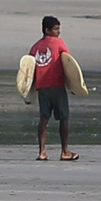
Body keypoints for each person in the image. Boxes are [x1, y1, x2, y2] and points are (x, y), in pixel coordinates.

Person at [29, 15, 78, 161]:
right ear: (47, 30)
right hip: (57, 86)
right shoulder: (58, 43)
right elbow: (68, 64)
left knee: (44, 119)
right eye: (56, 29)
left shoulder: (35, 47)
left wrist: (28, 93)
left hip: (42, 87)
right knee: (64, 118)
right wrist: (74, 85)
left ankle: (42, 152)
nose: (58, 32)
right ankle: (65, 151)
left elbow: (28, 70)